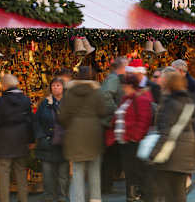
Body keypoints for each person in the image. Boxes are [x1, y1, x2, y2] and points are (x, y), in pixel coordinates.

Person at [59, 66, 108, 202]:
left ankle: (77, 199)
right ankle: (95, 199)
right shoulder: (97, 92)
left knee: (77, 172)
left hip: (75, 135)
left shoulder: (69, 93)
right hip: (94, 134)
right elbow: (104, 111)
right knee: (94, 172)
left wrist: (70, 125)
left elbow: (62, 116)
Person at [105, 72, 153, 201]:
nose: (122, 88)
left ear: (131, 85)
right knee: (130, 172)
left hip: (134, 142)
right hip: (124, 142)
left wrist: (134, 136)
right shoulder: (125, 99)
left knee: (137, 172)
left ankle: (142, 196)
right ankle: (131, 196)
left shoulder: (140, 99)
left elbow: (144, 120)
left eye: (124, 85)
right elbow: (117, 118)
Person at [153, 68, 195, 202]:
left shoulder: (170, 103)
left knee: (168, 194)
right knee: (178, 194)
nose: (159, 80)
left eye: (162, 78)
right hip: (184, 151)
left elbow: (166, 132)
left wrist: (154, 154)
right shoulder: (186, 100)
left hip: (172, 153)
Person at [0, 74, 33, 202]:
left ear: (4, 86)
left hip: (4, 140)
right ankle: (23, 199)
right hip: (21, 140)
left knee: (4, 174)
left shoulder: (1, 101)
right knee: (21, 173)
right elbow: (30, 121)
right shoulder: (26, 100)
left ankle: (5, 200)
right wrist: (31, 140)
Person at [34, 77, 68, 202]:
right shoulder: (44, 103)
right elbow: (37, 121)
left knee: (63, 174)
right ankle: (49, 195)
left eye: (58, 85)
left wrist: (53, 105)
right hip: (47, 142)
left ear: (63, 87)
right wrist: (41, 136)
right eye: (53, 85)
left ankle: (62, 196)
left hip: (63, 143)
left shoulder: (67, 103)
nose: (55, 88)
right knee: (47, 173)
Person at [100, 56, 128, 194]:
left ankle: (107, 184)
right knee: (110, 156)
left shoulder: (114, 79)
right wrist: (117, 111)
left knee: (111, 156)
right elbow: (105, 96)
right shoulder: (114, 79)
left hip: (112, 122)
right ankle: (106, 185)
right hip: (111, 123)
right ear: (122, 67)